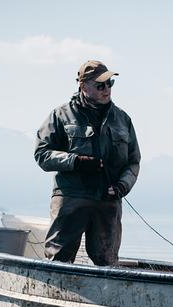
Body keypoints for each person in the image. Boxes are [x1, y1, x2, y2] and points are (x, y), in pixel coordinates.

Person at [35, 60, 140, 265]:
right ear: (83, 86)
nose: (107, 88)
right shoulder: (60, 116)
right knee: (59, 260)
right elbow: (42, 154)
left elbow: (133, 162)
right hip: (71, 199)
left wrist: (122, 186)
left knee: (107, 263)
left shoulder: (123, 119)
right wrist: (76, 161)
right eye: (100, 85)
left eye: (110, 83)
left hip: (108, 203)